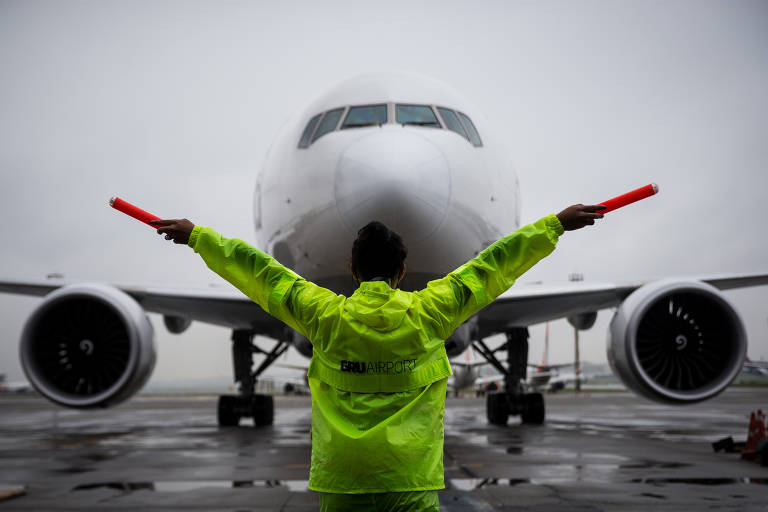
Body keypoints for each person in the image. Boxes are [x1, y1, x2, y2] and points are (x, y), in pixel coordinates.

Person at [150, 203, 605, 511]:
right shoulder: (432, 311)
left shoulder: (323, 315)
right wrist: (556, 225)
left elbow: (260, 273)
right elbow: (494, 265)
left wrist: (197, 237)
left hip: (342, 484)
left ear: (352, 270)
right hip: (410, 484)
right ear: (403, 271)